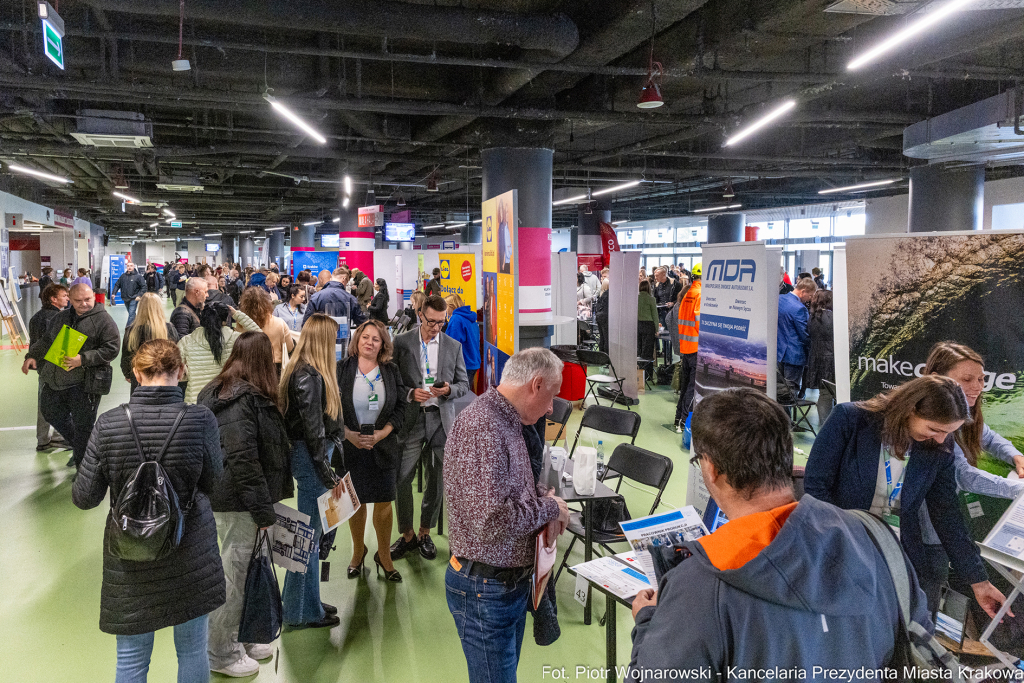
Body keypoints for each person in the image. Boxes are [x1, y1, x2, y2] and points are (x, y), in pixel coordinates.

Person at [628, 388, 933, 679]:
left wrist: (647, 622)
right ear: (787, 454)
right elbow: (918, 638)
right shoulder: (874, 536)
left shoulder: (699, 587)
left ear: (710, 469)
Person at [71, 339, 225, 683]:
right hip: (191, 554)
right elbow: (215, 484)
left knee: (131, 660)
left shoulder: (108, 424)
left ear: (136, 374)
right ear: (181, 372)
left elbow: (84, 497)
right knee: (192, 652)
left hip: (129, 561)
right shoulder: (201, 420)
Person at [804, 375, 1009, 616]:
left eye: (948, 432)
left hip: (899, 555)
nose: (942, 439)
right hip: (841, 546)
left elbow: (946, 514)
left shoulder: (939, 448)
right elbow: (816, 488)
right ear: (910, 409)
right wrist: (841, 542)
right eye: (934, 429)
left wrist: (979, 581)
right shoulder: (850, 419)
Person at [443, 347, 570, 683]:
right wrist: (550, 508)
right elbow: (490, 520)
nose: (550, 408)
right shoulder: (485, 428)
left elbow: (514, 485)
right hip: (486, 588)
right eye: (551, 397)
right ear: (536, 384)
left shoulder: (506, 420)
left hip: (503, 585)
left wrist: (542, 497)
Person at [198, 332, 292, 677]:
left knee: (245, 569)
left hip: (228, 498)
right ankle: (220, 651)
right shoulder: (242, 400)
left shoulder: (221, 391)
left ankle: (243, 634)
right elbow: (243, 460)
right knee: (235, 574)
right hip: (238, 501)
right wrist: (263, 511)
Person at [390, 295, 469, 563]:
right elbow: (394, 383)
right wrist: (411, 393)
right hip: (412, 419)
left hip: (440, 419)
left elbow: (463, 384)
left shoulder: (453, 346)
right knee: (402, 477)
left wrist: (448, 390)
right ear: (421, 314)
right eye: (431, 321)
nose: (436, 327)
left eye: (441, 322)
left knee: (437, 480)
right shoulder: (401, 343)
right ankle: (407, 534)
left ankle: (425, 532)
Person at [279, 314, 346, 629]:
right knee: (306, 540)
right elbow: (314, 433)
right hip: (312, 461)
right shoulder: (309, 377)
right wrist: (327, 474)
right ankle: (301, 611)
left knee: (304, 538)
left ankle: (304, 604)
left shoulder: (302, 371)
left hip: (309, 459)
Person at [336, 320, 407, 582]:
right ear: (357, 341)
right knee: (355, 503)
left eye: (375, 339)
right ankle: (358, 552)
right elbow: (330, 408)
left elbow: (401, 408)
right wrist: (348, 434)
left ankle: (384, 556)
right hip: (350, 447)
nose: (369, 342)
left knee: (384, 503)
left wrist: (383, 433)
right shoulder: (342, 369)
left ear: (383, 344)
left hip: (383, 447)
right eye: (365, 337)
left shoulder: (390, 370)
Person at [24, 284, 119, 469]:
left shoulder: (104, 321)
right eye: (78, 301)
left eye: (88, 299)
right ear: (70, 299)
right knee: (50, 411)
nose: (84, 304)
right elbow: (46, 340)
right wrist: (32, 356)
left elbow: (111, 349)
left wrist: (82, 359)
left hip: (85, 383)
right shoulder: (61, 317)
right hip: (57, 379)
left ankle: (84, 469)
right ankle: (81, 448)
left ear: (93, 297)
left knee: (84, 426)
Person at [179, 302, 261, 404]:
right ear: (226, 319)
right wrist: (237, 314)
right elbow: (261, 339)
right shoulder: (235, 339)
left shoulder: (186, 341)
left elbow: (177, 373)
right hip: (226, 401)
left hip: (195, 402)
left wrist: (189, 372)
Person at [22, 283, 70, 451]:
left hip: (42, 367)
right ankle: (53, 438)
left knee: (44, 401)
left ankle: (46, 438)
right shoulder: (57, 318)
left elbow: (35, 343)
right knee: (59, 403)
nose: (67, 298)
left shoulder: (36, 317)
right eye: (64, 295)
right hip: (55, 367)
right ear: (53, 299)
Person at [121, 292, 179, 395]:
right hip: (165, 379)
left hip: (139, 379)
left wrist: (128, 374)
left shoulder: (131, 331)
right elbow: (177, 354)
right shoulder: (169, 329)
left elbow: (126, 356)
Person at [238, 287, 295, 374]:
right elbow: (290, 347)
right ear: (267, 302)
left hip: (249, 366)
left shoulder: (241, 324)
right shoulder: (279, 323)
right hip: (274, 367)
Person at [777, 276, 817, 399]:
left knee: (778, 390)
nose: (809, 300)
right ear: (803, 291)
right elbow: (805, 335)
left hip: (778, 353)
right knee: (790, 393)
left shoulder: (778, 299)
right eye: (810, 296)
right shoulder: (799, 309)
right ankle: (787, 418)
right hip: (794, 356)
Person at [674, 263, 701, 431]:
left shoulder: (687, 294)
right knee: (692, 388)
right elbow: (700, 323)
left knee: (685, 388)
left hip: (685, 347)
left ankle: (678, 418)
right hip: (697, 347)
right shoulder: (700, 294)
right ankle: (684, 421)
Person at [302, 267, 367, 329]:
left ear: (331, 278)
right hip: (344, 339)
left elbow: (306, 324)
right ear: (344, 279)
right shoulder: (351, 299)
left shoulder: (316, 297)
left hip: (320, 339)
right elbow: (362, 325)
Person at [806, 289, 835, 425]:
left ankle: (824, 426)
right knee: (834, 393)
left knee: (824, 395)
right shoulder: (833, 317)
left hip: (816, 359)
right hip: (831, 360)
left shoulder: (812, 317)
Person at [443, 293, 481, 388]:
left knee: (460, 397)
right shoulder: (470, 318)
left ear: (451, 306)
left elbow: (451, 343)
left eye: (445, 307)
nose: (445, 311)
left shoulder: (456, 319)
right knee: (466, 395)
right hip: (473, 362)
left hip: (463, 363)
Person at [111, 261, 147, 327]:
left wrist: (139, 295)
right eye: (128, 266)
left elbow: (144, 287)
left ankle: (128, 329)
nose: (129, 267)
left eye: (131, 266)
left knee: (131, 314)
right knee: (132, 314)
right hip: (125, 298)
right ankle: (137, 325)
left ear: (134, 267)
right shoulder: (123, 276)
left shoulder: (138, 277)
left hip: (134, 298)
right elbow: (117, 284)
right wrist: (114, 293)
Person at [637, 280, 658, 378]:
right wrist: (657, 329)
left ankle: (639, 373)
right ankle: (647, 375)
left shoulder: (636, 298)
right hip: (649, 326)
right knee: (648, 351)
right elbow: (655, 316)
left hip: (638, 325)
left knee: (639, 349)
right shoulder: (651, 299)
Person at [594, 279, 610, 354]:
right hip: (605, 317)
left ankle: (601, 355)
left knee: (602, 337)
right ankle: (607, 356)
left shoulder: (602, 294)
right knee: (607, 338)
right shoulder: (609, 294)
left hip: (599, 316)